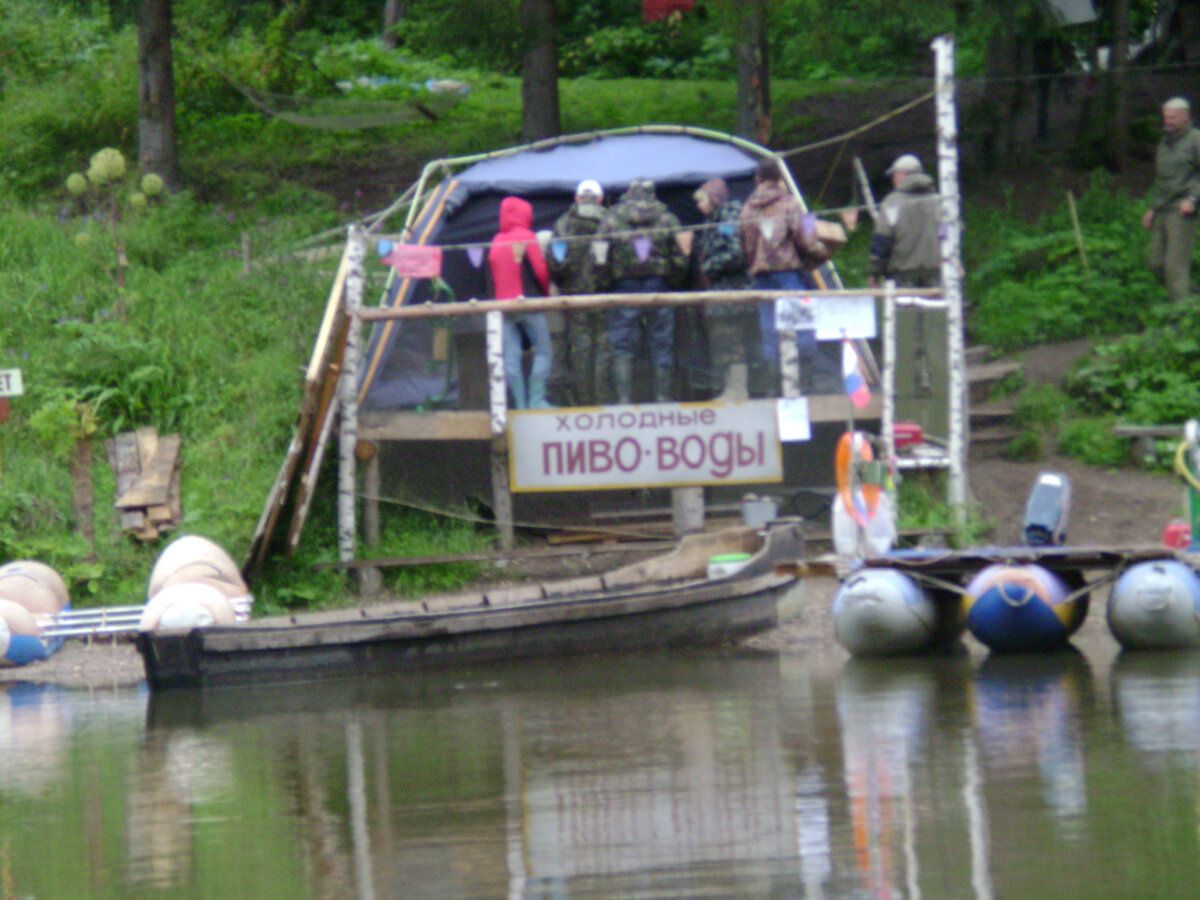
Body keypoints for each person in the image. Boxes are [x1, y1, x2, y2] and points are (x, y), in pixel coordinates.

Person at [739, 157, 830, 394]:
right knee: (800, 325)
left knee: (770, 329)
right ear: (779, 178)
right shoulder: (790, 202)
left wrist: (755, 263)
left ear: (757, 179)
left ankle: (775, 386)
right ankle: (805, 383)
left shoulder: (747, 207)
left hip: (761, 275)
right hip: (788, 273)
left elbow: (746, 244)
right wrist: (822, 254)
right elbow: (805, 239)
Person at [600, 177, 687, 403]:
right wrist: (675, 281)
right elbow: (681, 253)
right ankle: (662, 398)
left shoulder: (611, 217)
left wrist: (606, 283)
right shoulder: (668, 216)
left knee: (622, 343)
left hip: (624, 287)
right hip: (658, 285)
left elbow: (599, 254)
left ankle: (624, 399)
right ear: (653, 194)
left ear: (629, 192)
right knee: (662, 342)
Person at [548, 179, 612, 404]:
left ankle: (584, 404)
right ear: (600, 198)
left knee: (581, 353)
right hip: (606, 298)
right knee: (604, 352)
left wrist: (566, 282)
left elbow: (554, 264)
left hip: (575, 299)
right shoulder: (610, 220)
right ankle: (602, 402)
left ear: (576, 198)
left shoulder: (563, 224)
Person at [488, 195, 554, 409]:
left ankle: (520, 403)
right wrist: (545, 294)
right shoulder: (527, 236)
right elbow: (540, 271)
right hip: (529, 303)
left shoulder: (495, 240)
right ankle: (537, 399)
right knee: (544, 350)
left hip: (503, 306)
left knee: (510, 354)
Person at [692, 176, 753, 400]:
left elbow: (736, 253)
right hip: (720, 294)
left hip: (732, 293)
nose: (699, 206)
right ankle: (730, 388)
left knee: (732, 343)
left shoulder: (728, 218)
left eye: (702, 200)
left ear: (714, 198)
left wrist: (709, 266)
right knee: (723, 343)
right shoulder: (713, 219)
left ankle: (738, 390)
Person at [1142, 97, 1200, 302]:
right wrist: (1152, 208)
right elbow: (1163, 179)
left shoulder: (1195, 140)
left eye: (1173, 117)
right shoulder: (1165, 141)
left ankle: (1180, 317)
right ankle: (1193, 296)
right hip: (1163, 207)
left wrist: (1194, 199)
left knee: (1175, 265)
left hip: (1183, 208)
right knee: (1155, 263)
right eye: (1166, 117)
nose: (1168, 121)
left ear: (1186, 117)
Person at [867, 153, 941, 289]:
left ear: (903, 175)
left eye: (894, 175)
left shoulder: (892, 203)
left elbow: (883, 240)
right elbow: (952, 234)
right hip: (938, 274)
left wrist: (874, 272)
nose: (893, 181)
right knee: (938, 310)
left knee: (906, 310)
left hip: (903, 276)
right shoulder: (940, 202)